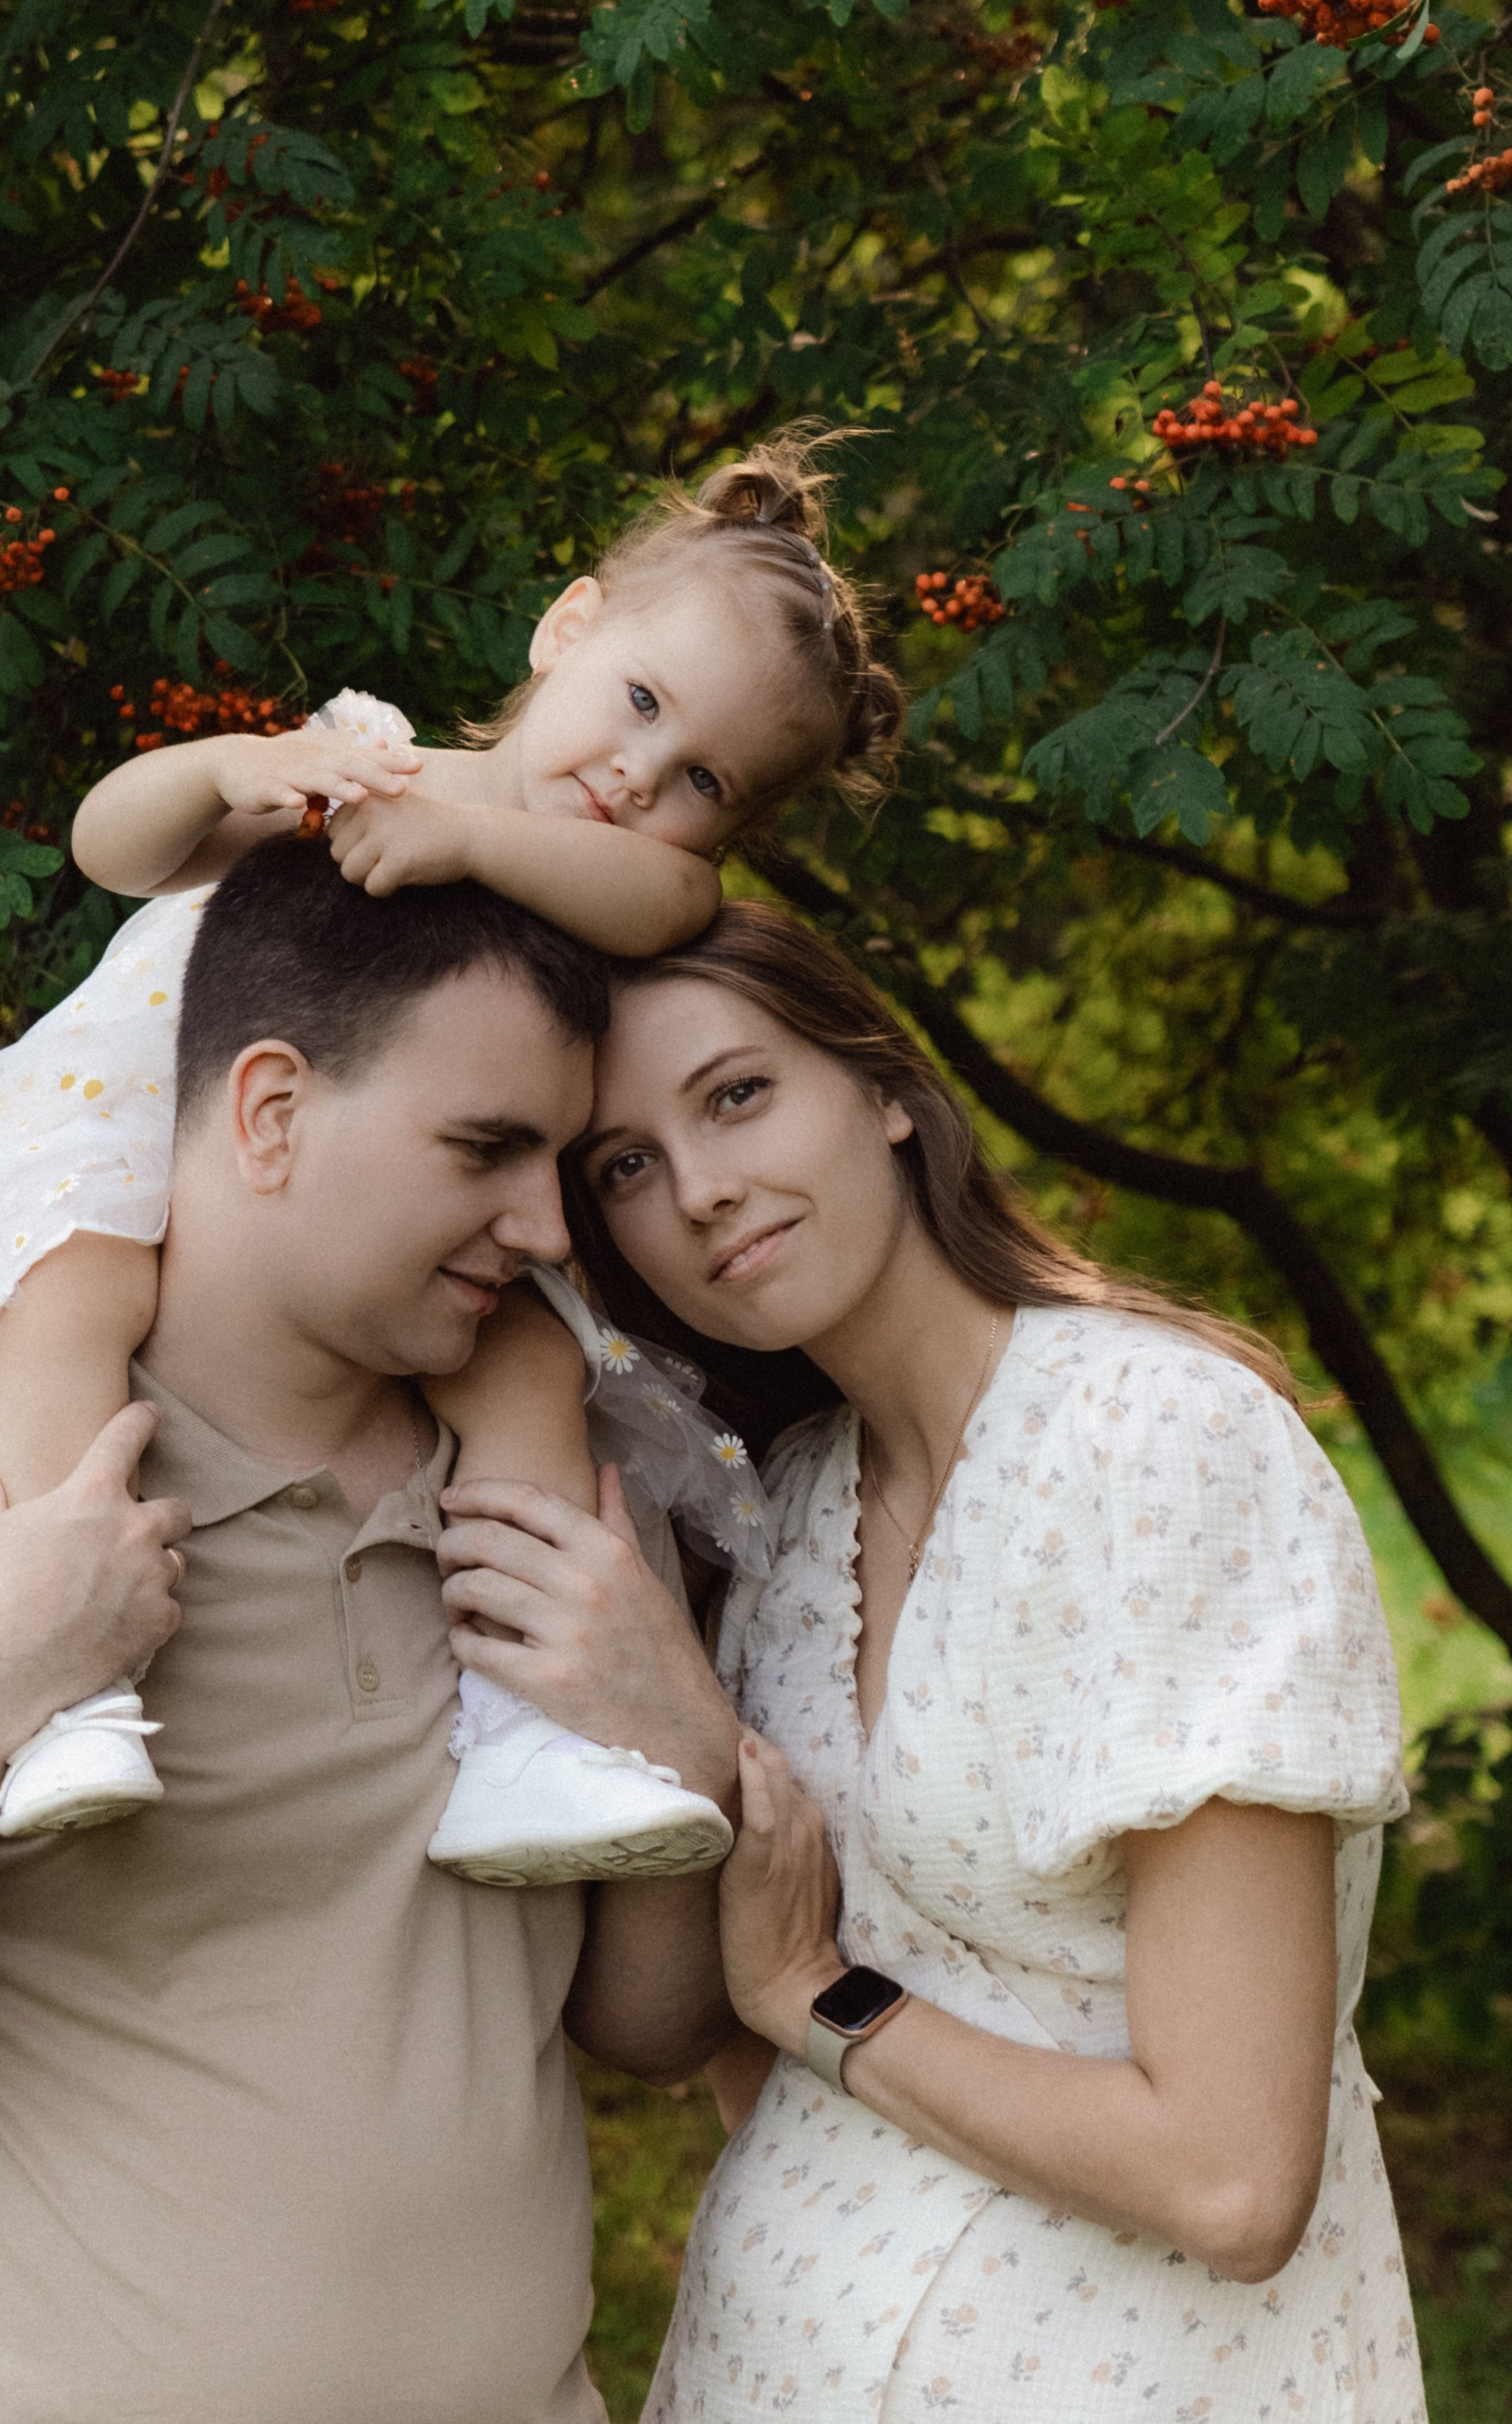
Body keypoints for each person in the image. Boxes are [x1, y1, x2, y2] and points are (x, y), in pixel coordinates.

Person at [0, 841, 745, 2424]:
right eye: (485, 1149)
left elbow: (646, 2033)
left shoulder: (561, 1505)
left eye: (562, 1158)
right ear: (269, 1111)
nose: (547, 1227)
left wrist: (684, 1756)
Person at [0, 434, 900, 1868]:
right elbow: (114, 847)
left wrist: (469, 848)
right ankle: (55, 1677)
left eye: (704, 781)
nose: (638, 774)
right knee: (70, 1297)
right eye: (640, 703)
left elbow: (659, 895)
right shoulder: (360, 760)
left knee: (534, 1373)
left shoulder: (628, 885)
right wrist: (230, 765)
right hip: (148, 1122)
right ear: (569, 627)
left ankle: (534, 1736)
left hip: (379, 1209)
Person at [559, 902, 1426, 2423]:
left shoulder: (1157, 1445)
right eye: (626, 1165)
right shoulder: (785, 1516)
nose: (698, 1190)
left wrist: (819, 1995)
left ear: (889, 1093)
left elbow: (1233, 2180)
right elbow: (739, 2068)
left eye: (737, 1094)